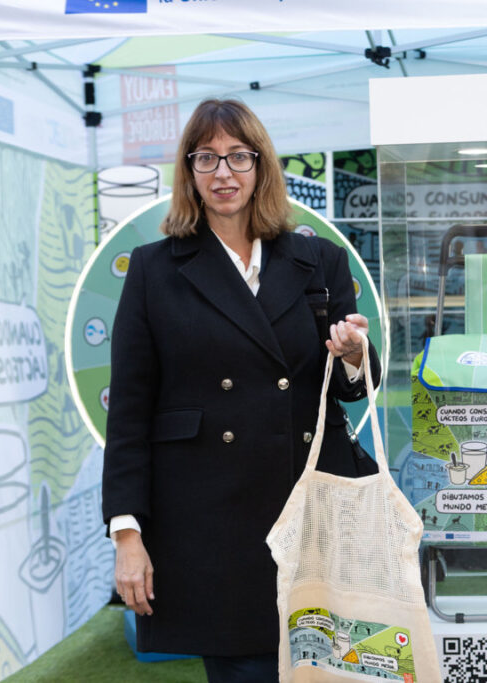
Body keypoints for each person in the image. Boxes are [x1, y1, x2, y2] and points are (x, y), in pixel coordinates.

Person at [102, 98, 381, 682]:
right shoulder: (154, 270)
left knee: (334, 666)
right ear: (188, 170)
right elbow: (129, 412)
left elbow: (353, 388)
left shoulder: (320, 261)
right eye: (206, 158)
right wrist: (128, 533)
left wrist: (355, 354)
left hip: (311, 505)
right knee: (245, 669)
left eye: (237, 156)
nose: (223, 172)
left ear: (261, 165)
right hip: (210, 518)